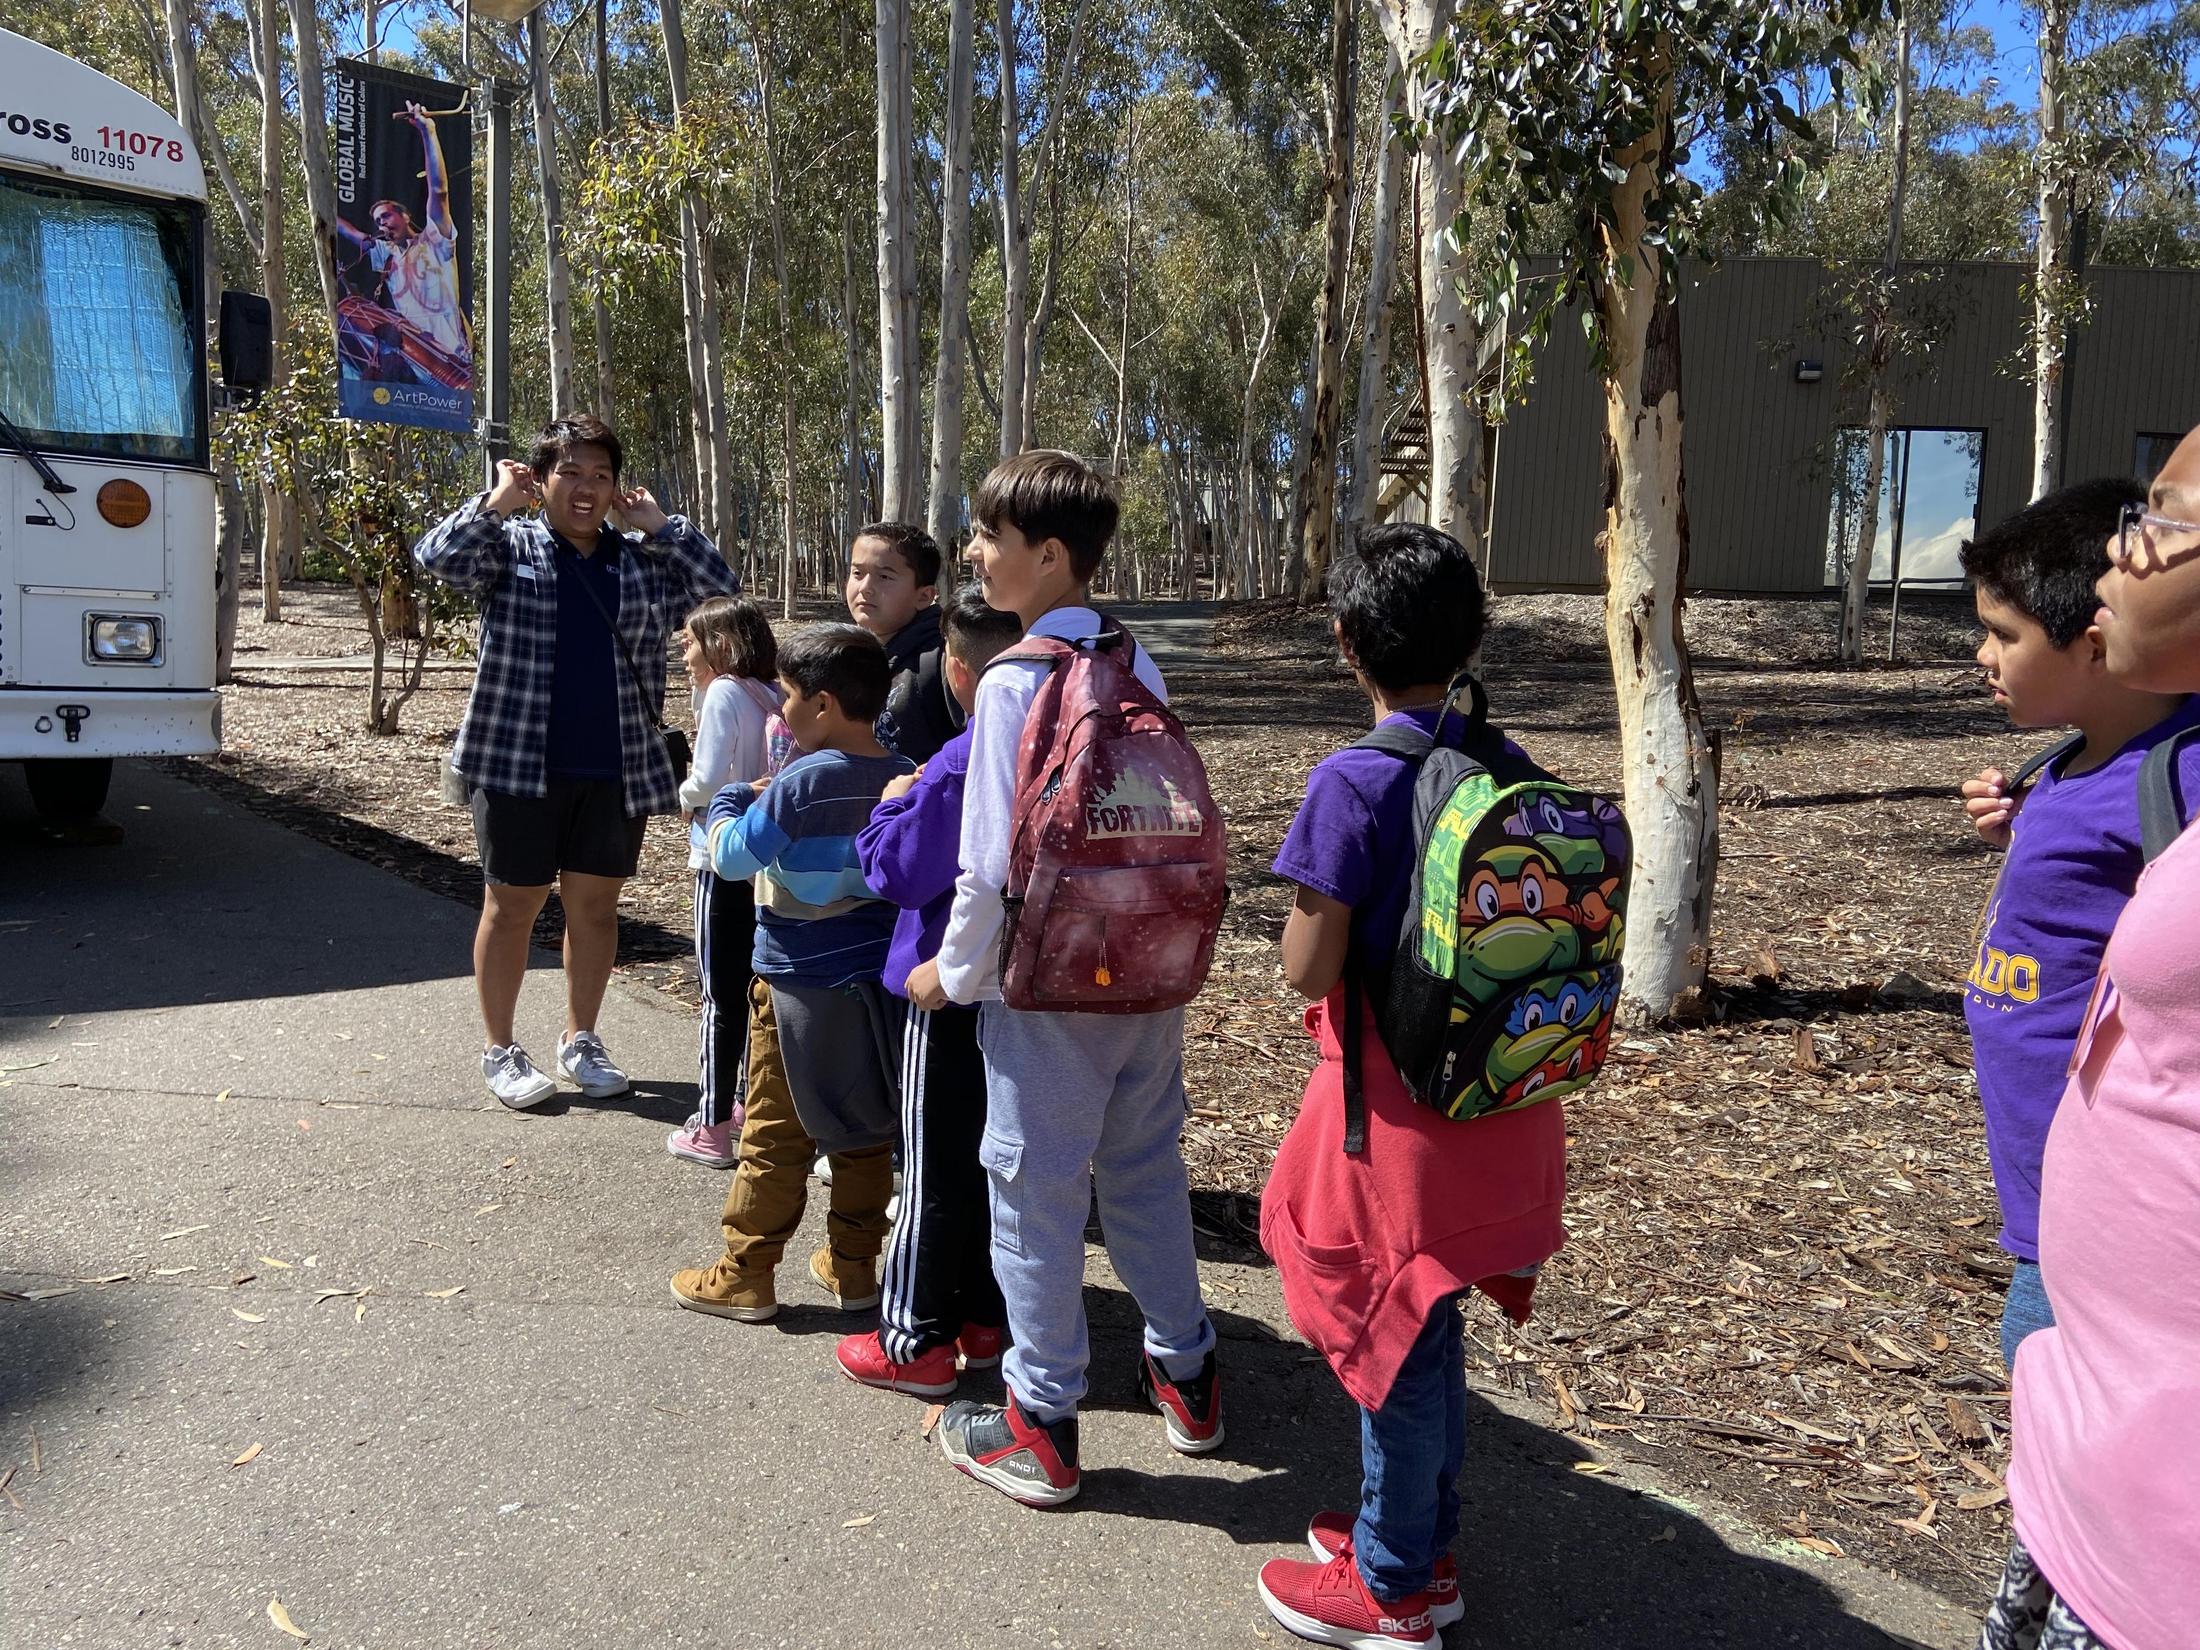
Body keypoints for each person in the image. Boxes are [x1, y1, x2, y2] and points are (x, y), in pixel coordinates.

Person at [1254, 524, 1569, 1650]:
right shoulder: (1511, 765)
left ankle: (1392, 1588)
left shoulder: (1353, 781)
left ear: (1348, 641)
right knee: (1431, 1328)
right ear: (1472, 640)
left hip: (1396, 1120)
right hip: (1507, 1095)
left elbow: (1308, 967)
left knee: (1391, 1335)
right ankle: (1421, 1544)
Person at [908, 450, 1219, 1506]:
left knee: (1034, 1193)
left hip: (1047, 987)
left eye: (988, 538)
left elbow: (987, 864)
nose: (974, 555)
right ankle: (1187, 1373)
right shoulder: (1137, 662)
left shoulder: (1013, 679)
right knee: (1144, 1170)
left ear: (1047, 555)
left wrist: (953, 975)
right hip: (1149, 969)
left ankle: (1038, 1423)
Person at [1980, 423, 2200, 1650]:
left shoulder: (2181, 772)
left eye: (2163, 519)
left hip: (2115, 1315)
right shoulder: (2074, 764)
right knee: (2048, 1496)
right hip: (2053, 1216)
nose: (2125, 551)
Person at [414, 413, 737, 1109]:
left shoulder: (641, 564)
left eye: (601, 475)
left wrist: (662, 526)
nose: (586, 488)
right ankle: (500, 1049)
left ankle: (580, 1039)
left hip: (614, 766)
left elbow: (719, 592)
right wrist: (496, 503)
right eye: (570, 472)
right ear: (542, 480)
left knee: (595, 909)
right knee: (512, 906)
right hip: (515, 762)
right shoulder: (507, 547)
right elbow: (437, 558)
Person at [1955, 478, 2200, 1365]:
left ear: (2095, 645)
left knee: (2050, 1381)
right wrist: (2026, 831)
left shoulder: (2181, 779)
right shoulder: (2071, 760)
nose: (1984, 654)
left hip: (2113, 1197)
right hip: (2045, 1187)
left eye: (2005, 634)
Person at [668, 624, 913, 1324]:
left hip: (795, 981)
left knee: (774, 1133)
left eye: (789, 696)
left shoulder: (803, 781)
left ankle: (746, 1273)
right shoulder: (904, 770)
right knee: (865, 1128)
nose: (782, 710)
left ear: (824, 704)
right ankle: (854, 1266)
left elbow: (733, 859)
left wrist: (730, 800)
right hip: (876, 983)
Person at [836, 586, 1024, 1397]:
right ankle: (983, 1318)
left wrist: (889, 808)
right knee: (991, 1162)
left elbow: (898, 870)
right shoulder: (1059, 749)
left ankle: (913, 1338)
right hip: (1025, 992)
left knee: (932, 1168)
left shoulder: (959, 760)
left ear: (957, 670)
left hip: (944, 989)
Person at [667, 597, 782, 1168]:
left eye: (690, 643)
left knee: (718, 993)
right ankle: (742, 1101)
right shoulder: (772, 693)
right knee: (753, 987)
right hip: (762, 859)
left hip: (718, 858)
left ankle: (710, 1125)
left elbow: (709, 777)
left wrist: (684, 795)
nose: (685, 655)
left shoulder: (723, 693)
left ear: (721, 645)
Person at [334, 101, 474, 387]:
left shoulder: (435, 241)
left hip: (453, 367)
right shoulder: (386, 256)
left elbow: (439, 191)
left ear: (405, 215)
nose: (382, 224)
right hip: (413, 365)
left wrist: (427, 132)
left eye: (386, 216)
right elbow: (350, 232)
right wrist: (321, 195)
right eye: (377, 221)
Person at [845, 521, 961, 764]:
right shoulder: (848, 657)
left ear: (924, 596)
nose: (865, 588)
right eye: (857, 573)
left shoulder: (942, 660)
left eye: (884, 576)